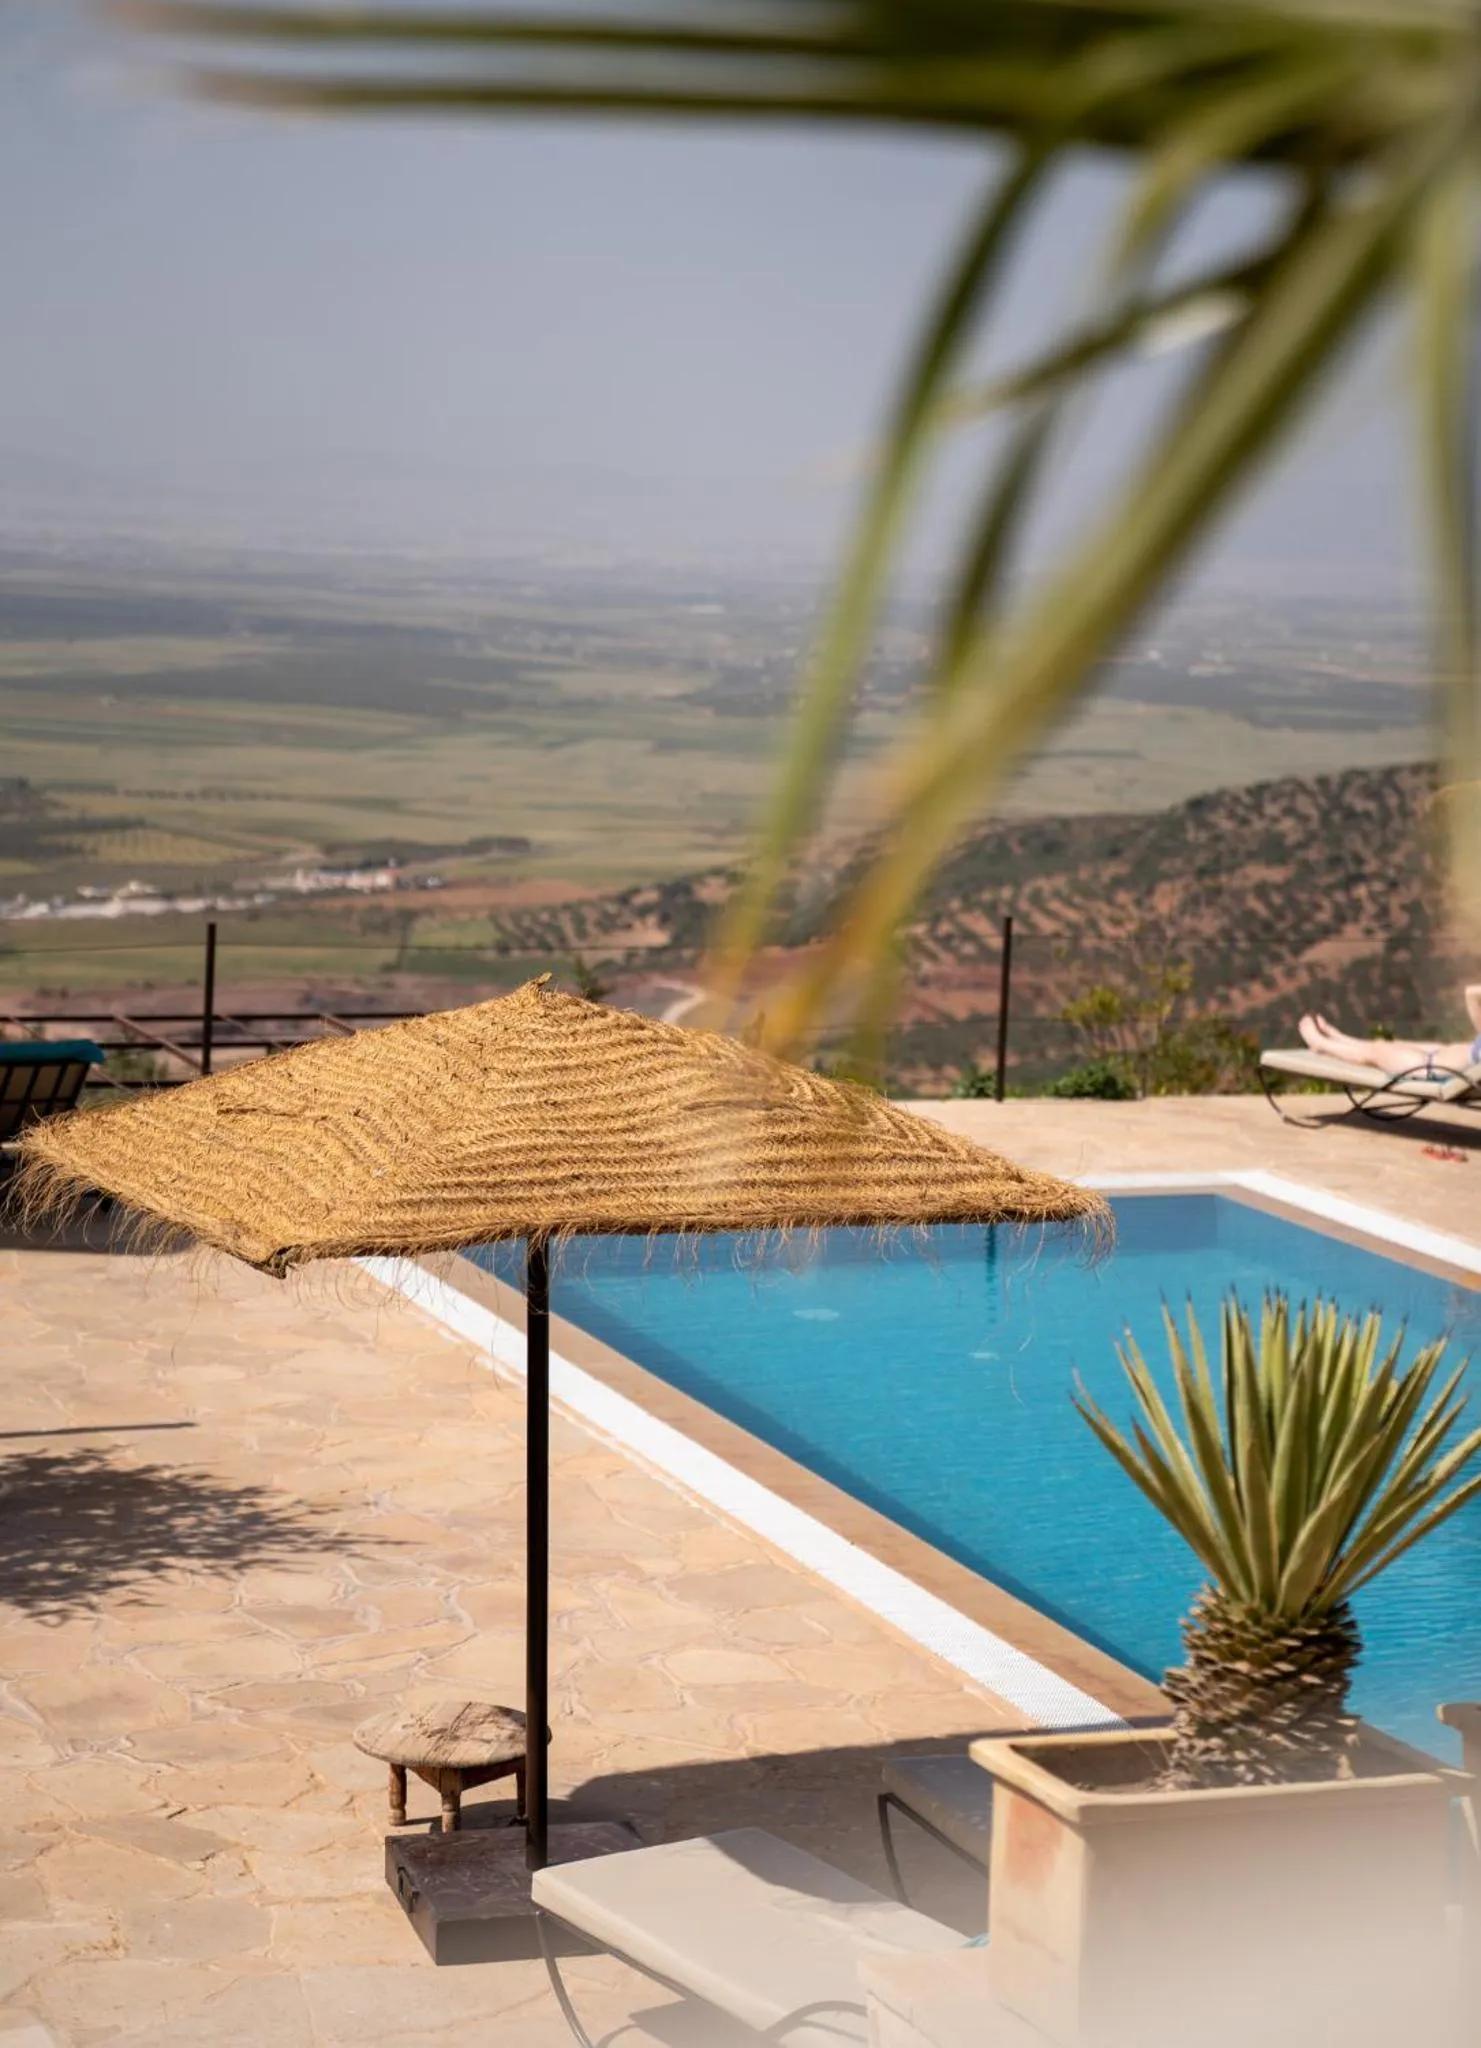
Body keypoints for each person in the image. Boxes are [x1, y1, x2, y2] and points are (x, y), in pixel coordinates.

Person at [1298, 986, 1481, 1078]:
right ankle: (1337, 1036)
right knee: (1386, 1046)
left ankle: (1320, 1044)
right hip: (1440, 1054)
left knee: (1373, 1053)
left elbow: (1471, 993)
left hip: (1428, 1066)